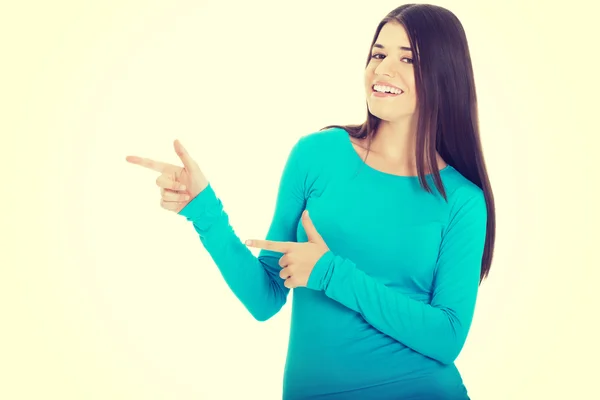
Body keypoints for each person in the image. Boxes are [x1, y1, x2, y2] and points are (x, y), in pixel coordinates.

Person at [126, 3, 496, 399]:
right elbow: (264, 297)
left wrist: (331, 274)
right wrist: (204, 211)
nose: (384, 69)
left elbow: (447, 338)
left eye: (408, 59)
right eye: (378, 53)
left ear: (444, 75)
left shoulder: (462, 200)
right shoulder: (317, 155)